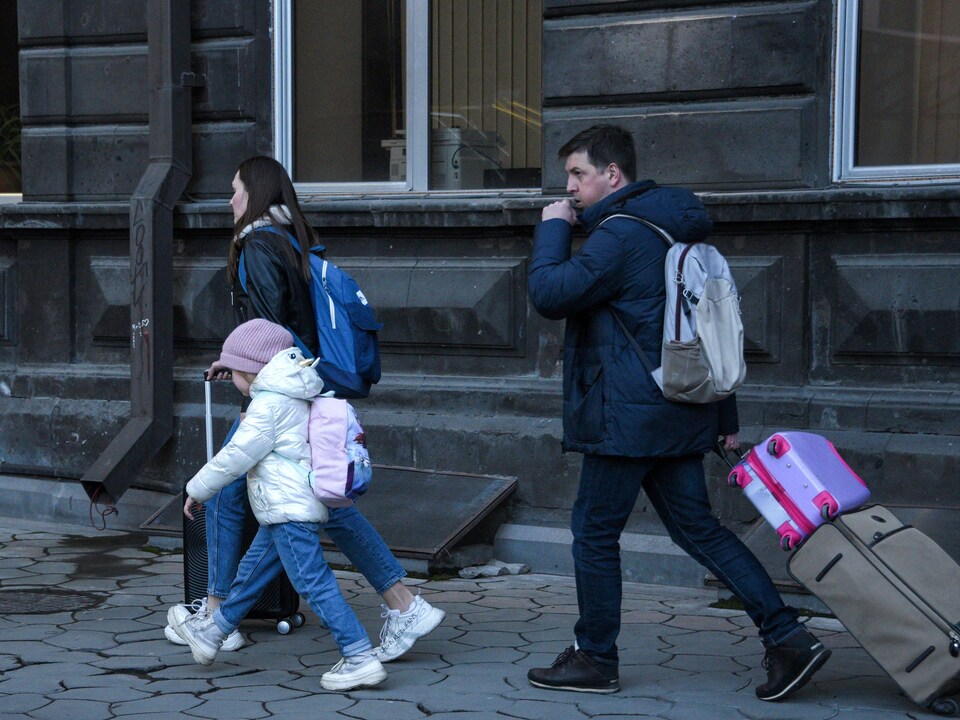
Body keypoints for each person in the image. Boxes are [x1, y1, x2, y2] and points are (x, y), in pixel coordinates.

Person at [525, 125, 830, 700]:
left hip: (630, 420)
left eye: (577, 175)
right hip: (681, 408)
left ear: (612, 175)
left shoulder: (620, 236)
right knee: (700, 530)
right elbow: (711, 329)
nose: (569, 187)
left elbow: (550, 294)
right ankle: (789, 638)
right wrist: (723, 415)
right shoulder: (674, 229)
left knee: (593, 532)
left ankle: (595, 657)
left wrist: (552, 232)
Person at [164, 156, 443, 662]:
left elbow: (272, 336)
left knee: (232, 492)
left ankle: (218, 614)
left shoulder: (255, 244)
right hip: (306, 386)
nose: (229, 200)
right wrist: (234, 361)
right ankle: (402, 602)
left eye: (235, 188)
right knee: (324, 502)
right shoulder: (291, 240)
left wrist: (254, 387)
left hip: (280, 394)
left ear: (255, 191)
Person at [169, 319, 386, 691]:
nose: (235, 381)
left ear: (251, 372)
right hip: (288, 505)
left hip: (288, 510)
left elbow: (235, 456)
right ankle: (212, 635)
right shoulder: (296, 390)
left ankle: (359, 656)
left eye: (236, 372)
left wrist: (197, 488)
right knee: (251, 574)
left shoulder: (267, 406)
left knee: (314, 582)